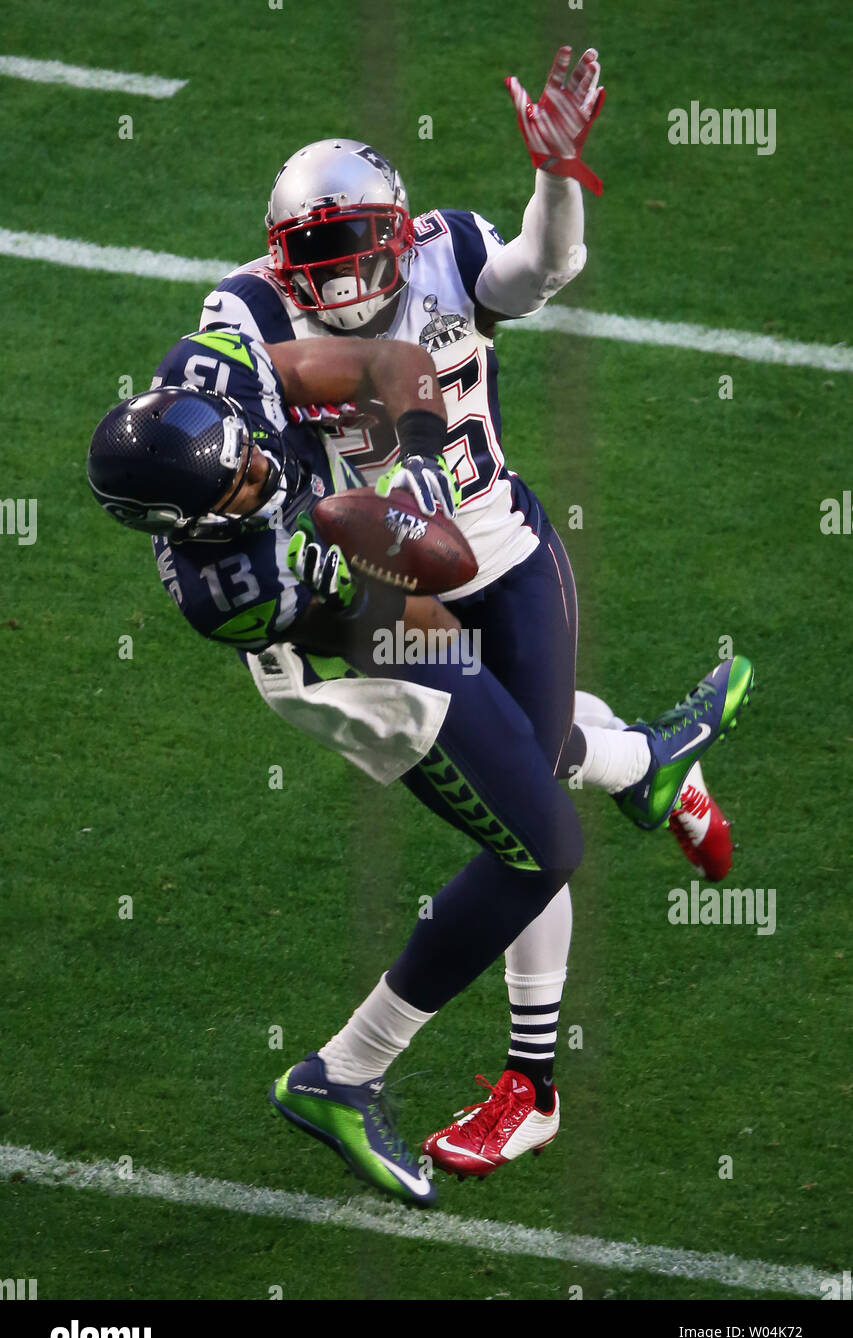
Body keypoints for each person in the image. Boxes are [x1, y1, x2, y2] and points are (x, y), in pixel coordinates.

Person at [194, 46, 737, 1170]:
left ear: (398, 233)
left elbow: (542, 273)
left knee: (526, 820)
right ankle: (645, 763)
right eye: (317, 254)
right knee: (523, 819)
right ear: (277, 248)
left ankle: (528, 1084)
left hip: (505, 556)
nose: (342, 277)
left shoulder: (447, 246)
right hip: (391, 599)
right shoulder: (243, 308)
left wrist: (555, 174)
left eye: (358, 247)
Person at [87, 325, 754, 1203]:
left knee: (532, 757)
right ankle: (343, 1075)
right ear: (189, 521)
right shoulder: (236, 591)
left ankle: (640, 765)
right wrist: (399, 537)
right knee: (541, 848)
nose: (261, 468)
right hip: (368, 667)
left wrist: (420, 462)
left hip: (380, 600)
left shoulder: (214, 377)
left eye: (248, 449)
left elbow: (387, 363)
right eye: (240, 481)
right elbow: (422, 622)